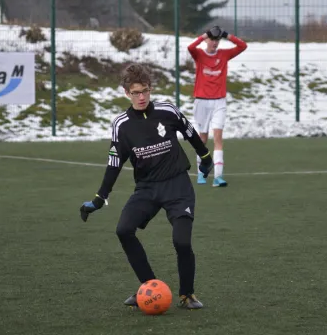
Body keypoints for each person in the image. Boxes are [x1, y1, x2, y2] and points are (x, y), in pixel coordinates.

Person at [79, 63, 214, 310]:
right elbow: (114, 163)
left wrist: (205, 158)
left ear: (150, 89)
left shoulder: (167, 111)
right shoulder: (121, 124)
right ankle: (150, 286)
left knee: (182, 241)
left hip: (177, 185)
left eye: (144, 91)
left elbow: (191, 132)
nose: (141, 97)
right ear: (126, 93)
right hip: (147, 189)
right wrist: (99, 198)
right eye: (135, 93)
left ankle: (187, 295)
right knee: (123, 230)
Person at [187, 25, 247, 187]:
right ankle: (202, 173)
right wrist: (204, 35)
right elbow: (190, 47)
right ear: (207, 40)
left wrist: (227, 35)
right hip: (202, 102)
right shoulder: (199, 54)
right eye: (212, 39)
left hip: (219, 102)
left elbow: (243, 46)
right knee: (203, 139)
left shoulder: (224, 55)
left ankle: (218, 177)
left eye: (217, 40)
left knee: (218, 138)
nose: (214, 43)